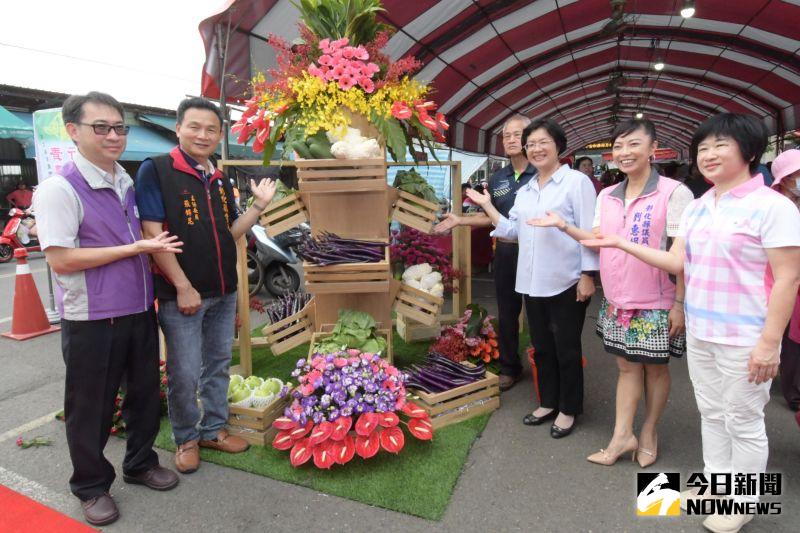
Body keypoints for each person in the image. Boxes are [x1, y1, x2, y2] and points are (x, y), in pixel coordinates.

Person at [582, 113, 800, 533]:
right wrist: (619, 242)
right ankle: (717, 486)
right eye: (703, 148)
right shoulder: (700, 205)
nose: (710, 155)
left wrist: (770, 343)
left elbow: (788, 277)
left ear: (750, 152)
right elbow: (677, 262)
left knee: (744, 419)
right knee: (712, 413)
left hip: (746, 336)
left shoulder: (772, 206)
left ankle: (744, 500)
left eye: (722, 145)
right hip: (702, 332)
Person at [32, 92, 182, 526]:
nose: (113, 135)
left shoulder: (125, 181)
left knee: (143, 396)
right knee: (91, 407)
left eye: (119, 127)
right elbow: (60, 259)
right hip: (91, 319)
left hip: (137, 308)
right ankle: (91, 485)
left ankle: (139, 463)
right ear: (73, 131)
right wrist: (134, 247)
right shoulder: (59, 189)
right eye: (102, 127)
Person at [529, 119, 693, 467]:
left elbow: (683, 257)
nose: (624, 152)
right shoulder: (608, 195)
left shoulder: (675, 193)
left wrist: (679, 302)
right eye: (618, 146)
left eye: (633, 144)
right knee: (627, 369)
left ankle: (648, 431)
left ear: (652, 148)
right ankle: (622, 436)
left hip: (658, 300)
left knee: (656, 370)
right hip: (618, 299)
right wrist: (564, 225)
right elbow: (596, 240)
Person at [135, 97, 276, 474]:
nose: (203, 134)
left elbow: (230, 235)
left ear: (219, 135)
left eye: (211, 129)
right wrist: (182, 285)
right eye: (194, 127)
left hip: (223, 291)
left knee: (216, 365)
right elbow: (152, 233)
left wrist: (258, 207)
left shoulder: (217, 177)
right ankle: (186, 438)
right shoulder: (157, 170)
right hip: (181, 293)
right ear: (178, 128)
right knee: (183, 372)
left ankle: (214, 429)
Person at [467, 118, 598, 438]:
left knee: (566, 347)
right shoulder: (526, 190)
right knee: (541, 346)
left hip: (566, 279)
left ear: (558, 145)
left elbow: (590, 232)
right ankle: (548, 402)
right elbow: (512, 230)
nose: (536, 149)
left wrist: (588, 274)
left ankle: (569, 408)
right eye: (531, 144)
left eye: (543, 142)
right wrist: (487, 206)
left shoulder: (575, 182)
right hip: (531, 280)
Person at [435, 115, 537, 391]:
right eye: (507, 136)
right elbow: (491, 217)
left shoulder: (541, 172)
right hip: (506, 251)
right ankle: (509, 367)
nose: (512, 139)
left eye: (518, 134)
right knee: (507, 311)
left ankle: (545, 365)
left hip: (539, 253)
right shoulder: (498, 177)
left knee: (540, 313)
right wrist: (461, 220)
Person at [768, 149, 800, 410]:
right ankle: (794, 392)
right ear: (786, 179)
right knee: (790, 335)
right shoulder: (773, 206)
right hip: (779, 281)